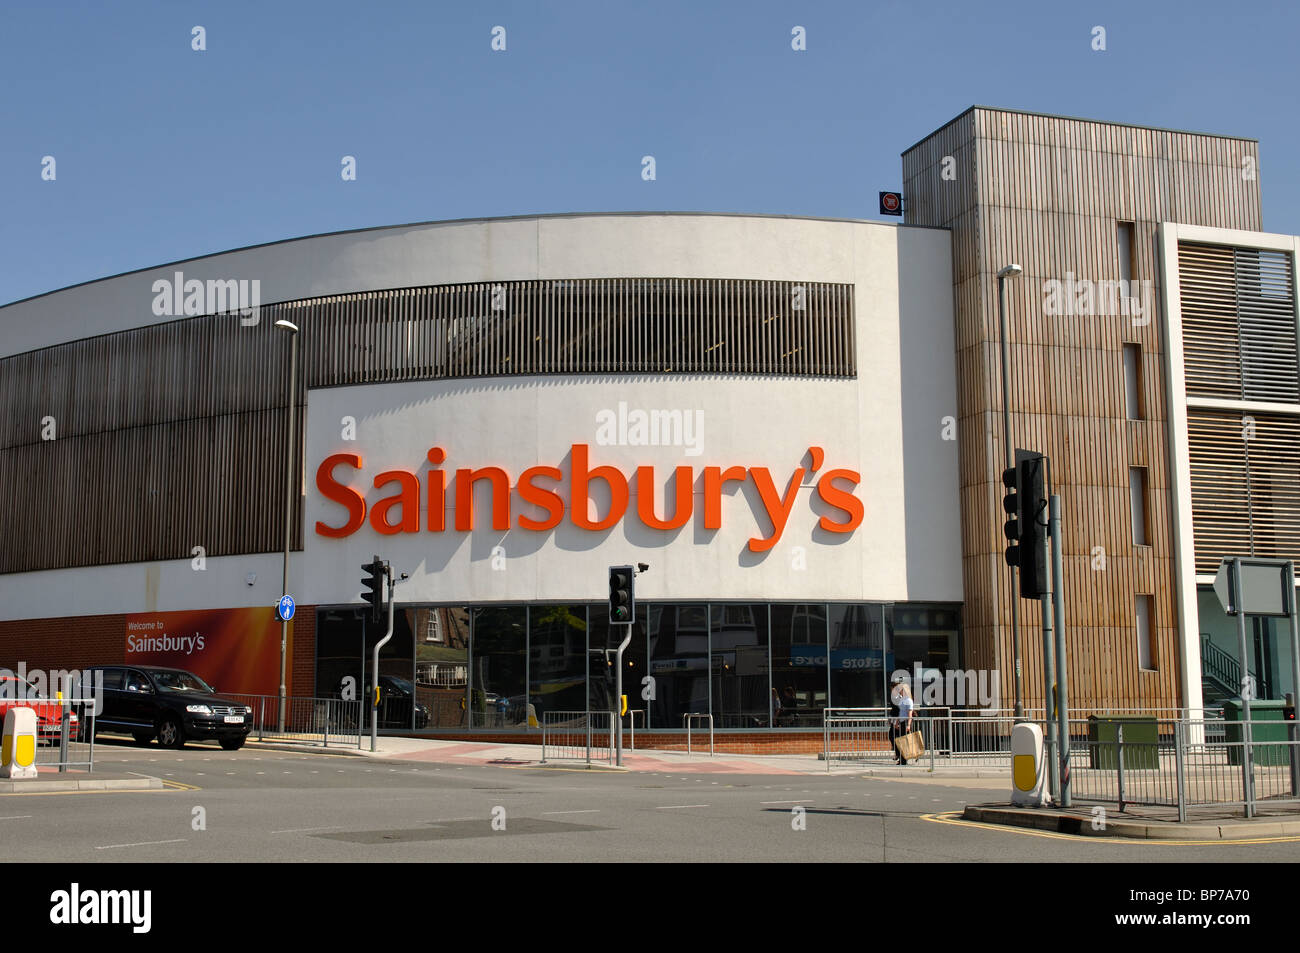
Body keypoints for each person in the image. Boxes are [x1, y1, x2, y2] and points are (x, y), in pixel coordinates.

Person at [889, 675, 915, 764]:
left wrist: (908, 724)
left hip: (905, 722)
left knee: (903, 741)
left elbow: (909, 714)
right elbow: (899, 712)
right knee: (899, 740)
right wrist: (896, 722)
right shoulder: (902, 700)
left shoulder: (908, 700)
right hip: (901, 722)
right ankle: (901, 758)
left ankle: (903, 760)